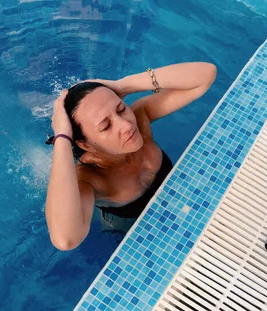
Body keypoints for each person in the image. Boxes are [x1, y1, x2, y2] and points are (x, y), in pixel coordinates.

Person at [45, 62, 217, 251]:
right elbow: (66, 239)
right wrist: (62, 137)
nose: (126, 126)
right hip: (132, 231)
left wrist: (123, 85)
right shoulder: (88, 177)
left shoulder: (140, 118)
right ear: (85, 144)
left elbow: (206, 75)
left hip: (181, 203)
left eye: (120, 109)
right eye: (106, 126)